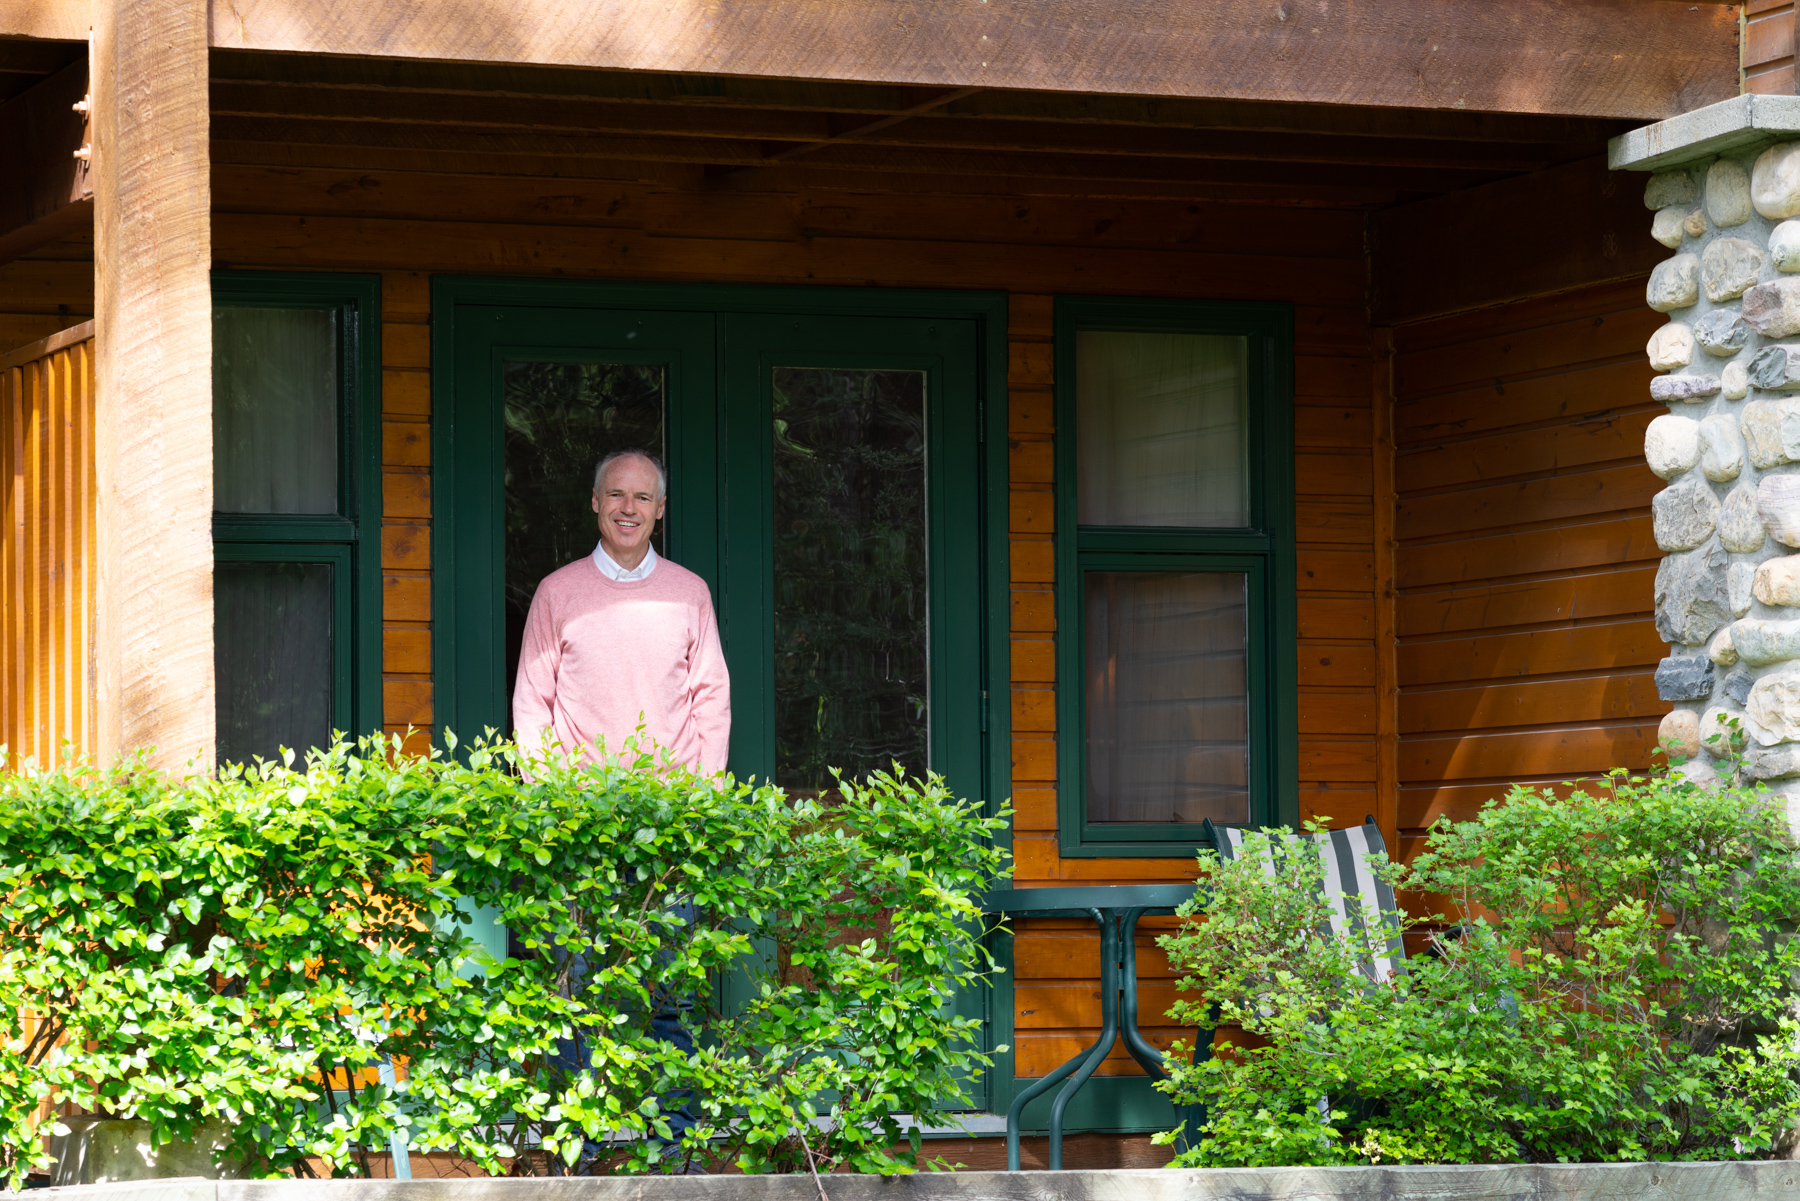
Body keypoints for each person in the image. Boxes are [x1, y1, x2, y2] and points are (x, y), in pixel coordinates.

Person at [511, 448, 730, 1172]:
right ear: (594, 504)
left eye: (643, 497)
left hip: (666, 834)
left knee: (668, 994)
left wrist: (695, 807)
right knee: (576, 992)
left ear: (660, 509)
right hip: (579, 832)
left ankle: (677, 1149)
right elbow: (531, 704)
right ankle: (584, 1149)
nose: (629, 508)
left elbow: (710, 700)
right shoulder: (557, 592)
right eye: (615, 495)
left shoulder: (689, 593)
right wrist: (551, 806)